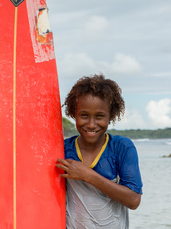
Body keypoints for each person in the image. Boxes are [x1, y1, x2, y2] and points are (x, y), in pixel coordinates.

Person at [56, 74, 143, 229]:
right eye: (84, 115)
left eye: (99, 116)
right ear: (73, 114)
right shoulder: (62, 149)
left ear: (111, 116)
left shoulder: (121, 148)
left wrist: (88, 175)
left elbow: (134, 200)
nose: (91, 124)